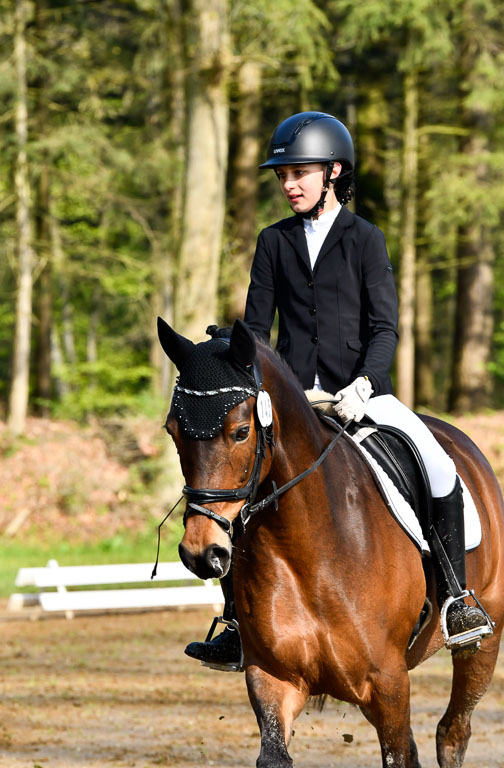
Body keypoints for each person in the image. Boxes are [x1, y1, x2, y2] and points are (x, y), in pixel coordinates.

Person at [184, 111, 492, 668]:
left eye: (299, 173)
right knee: (240, 487)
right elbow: (257, 331)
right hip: (294, 403)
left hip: (365, 396)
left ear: (332, 171)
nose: (289, 185)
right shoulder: (272, 242)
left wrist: (365, 382)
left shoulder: (365, 239)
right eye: (282, 176)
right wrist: (235, 355)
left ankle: (455, 597)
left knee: (439, 468)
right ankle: (236, 620)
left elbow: (385, 327)